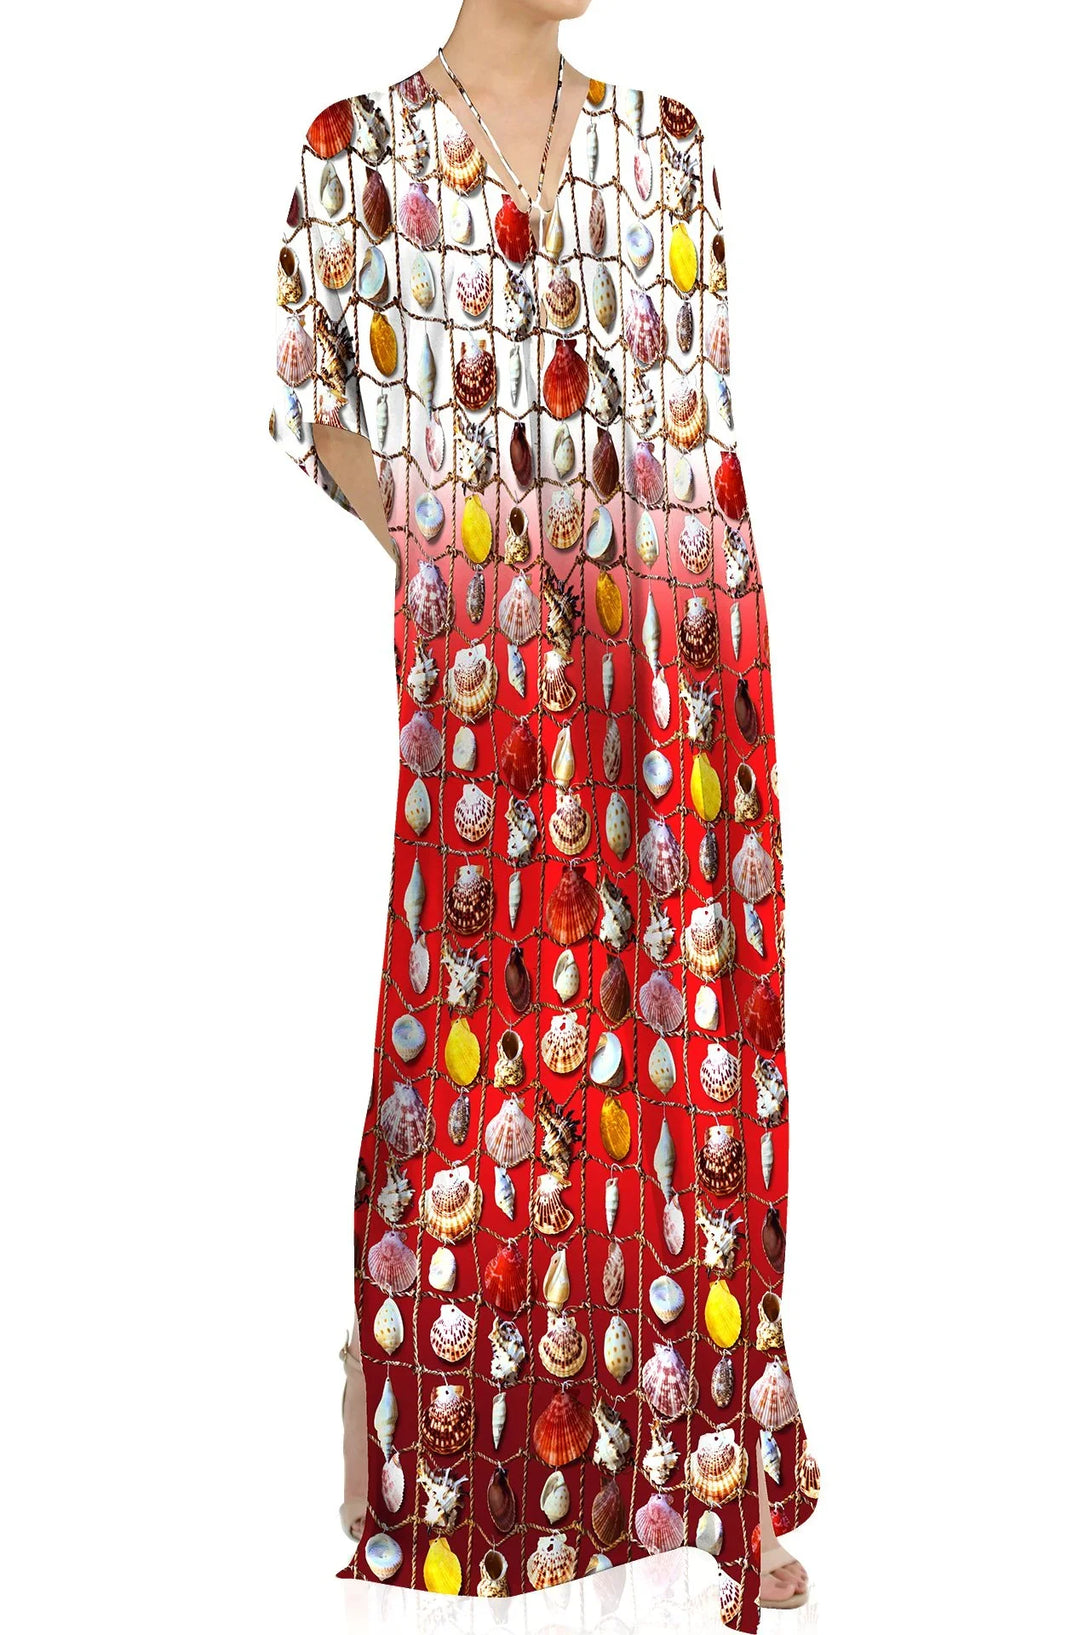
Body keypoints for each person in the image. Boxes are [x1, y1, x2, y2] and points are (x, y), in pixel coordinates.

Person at [270, 0, 819, 1621]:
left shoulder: (668, 147)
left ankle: (702, 1472)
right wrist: (431, 543)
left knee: (687, 1055)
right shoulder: (353, 148)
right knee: (471, 1034)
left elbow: (696, 419)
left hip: (669, 656)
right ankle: (446, 1470)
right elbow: (311, 397)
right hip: (479, 664)